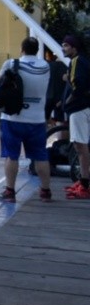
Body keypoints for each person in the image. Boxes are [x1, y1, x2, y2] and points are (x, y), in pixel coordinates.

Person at [0, 37, 52, 202]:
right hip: (37, 119)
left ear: (22, 49)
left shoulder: (11, 64)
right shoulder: (45, 66)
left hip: (12, 117)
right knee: (41, 156)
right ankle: (46, 191)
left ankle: (10, 191)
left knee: (11, 156)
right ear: (37, 50)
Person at [61, 35, 90, 199]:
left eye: (65, 46)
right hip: (84, 107)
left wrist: (70, 100)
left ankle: (84, 184)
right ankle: (84, 179)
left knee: (80, 146)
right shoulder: (84, 61)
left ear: (74, 47)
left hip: (79, 109)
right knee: (83, 146)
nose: (63, 49)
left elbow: (77, 83)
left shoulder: (76, 61)